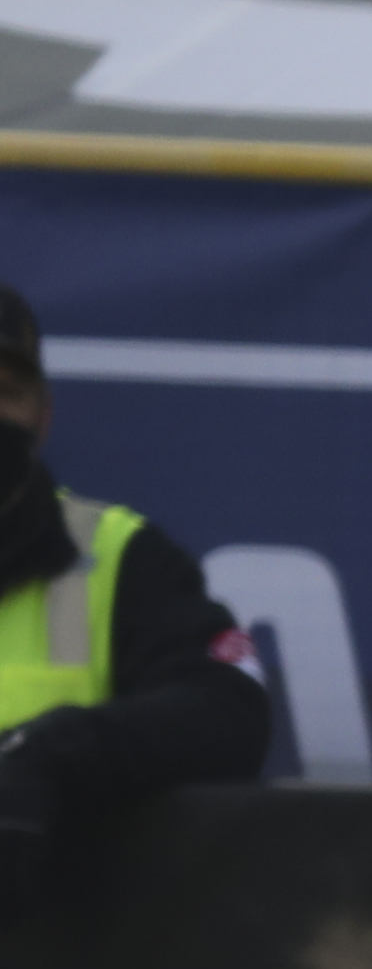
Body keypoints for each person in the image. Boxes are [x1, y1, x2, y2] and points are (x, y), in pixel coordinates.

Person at [0, 283, 270, 922]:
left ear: (44, 416)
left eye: (5, 392)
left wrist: (51, 753)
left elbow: (233, 702)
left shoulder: (122, 556)